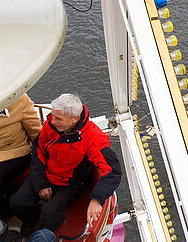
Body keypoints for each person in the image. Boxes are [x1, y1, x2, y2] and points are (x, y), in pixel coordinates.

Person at [10, 94, 122, 233]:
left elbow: (113, 171)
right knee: (18, 201)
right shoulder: (51, 125)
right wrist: (41, 183)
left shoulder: (94, 138)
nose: (52, 120)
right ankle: (30, 222)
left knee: (50, 213)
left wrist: (97, 200)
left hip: (71, 182)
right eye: (53, 115)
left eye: (58, 118)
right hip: (48, 173)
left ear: (74, 119)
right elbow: (38, 148)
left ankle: (46, 235)